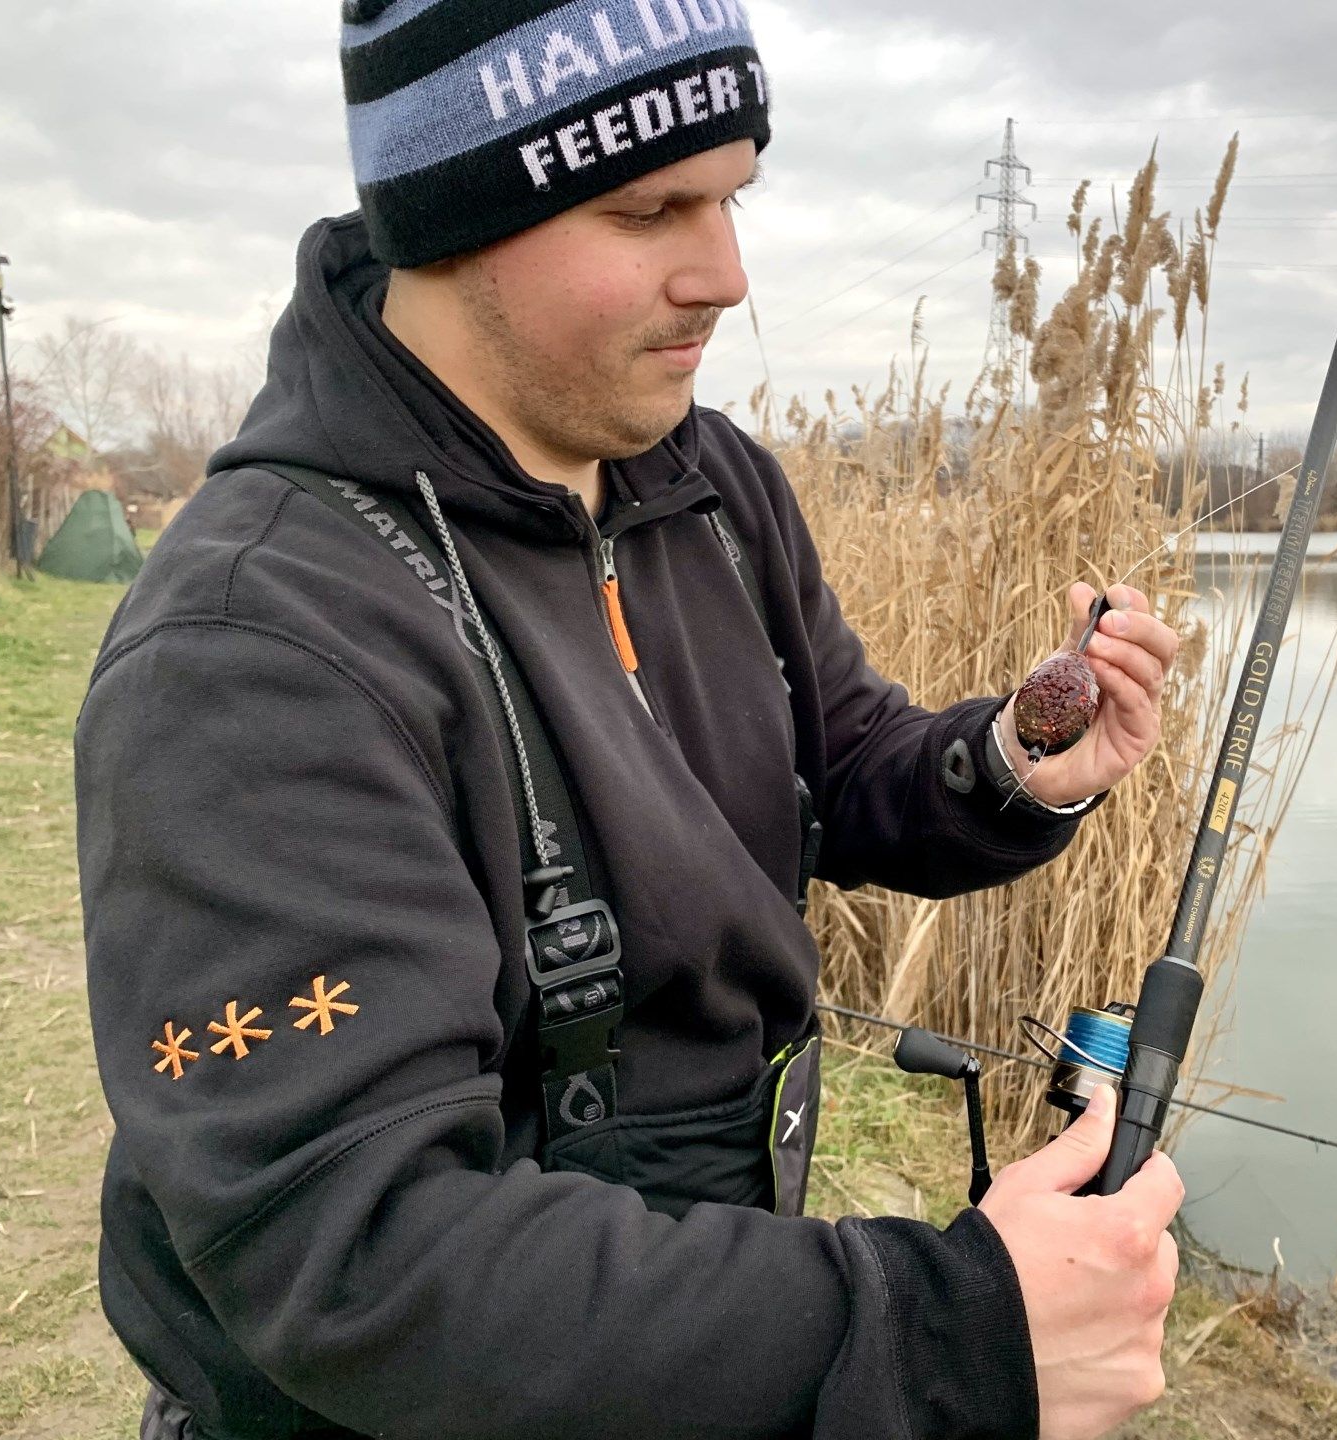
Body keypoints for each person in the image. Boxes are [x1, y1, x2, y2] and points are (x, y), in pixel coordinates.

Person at [76, 4, 1185, 1438]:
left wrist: (1016, 762)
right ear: (451, 219)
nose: (724, 273)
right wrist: (947, 1332)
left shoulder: (712, 486)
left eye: (731, 197)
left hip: (684, 1370)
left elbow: (836, 767)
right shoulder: (253, 648)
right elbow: (357, 1259)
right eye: (647, 207)